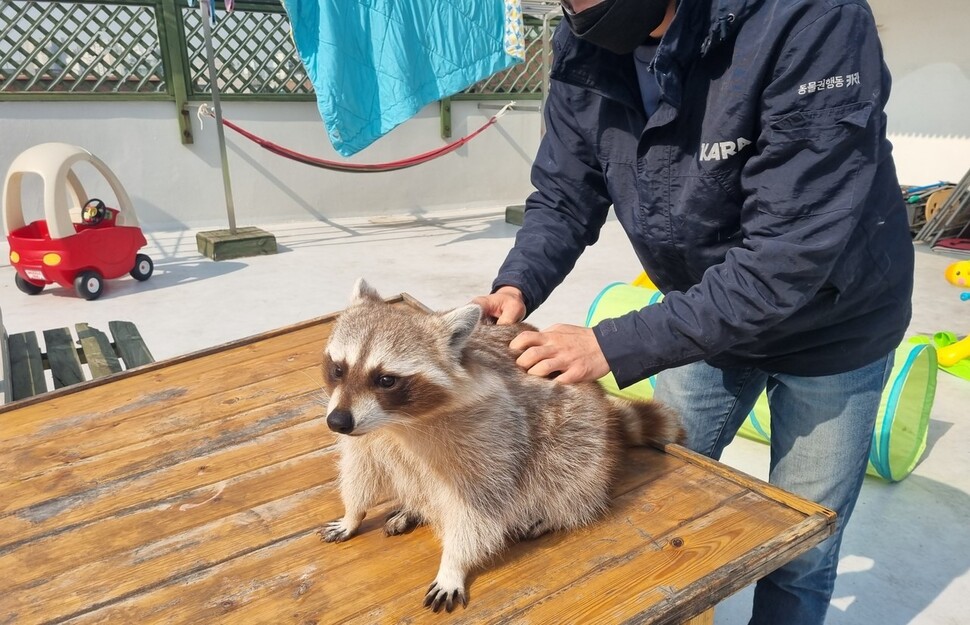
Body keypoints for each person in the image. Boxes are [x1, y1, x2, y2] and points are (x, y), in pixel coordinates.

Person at [471, 0, 914, 623]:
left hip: (834, 326)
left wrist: (609, 345)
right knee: (648, 496)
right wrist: (517, 285)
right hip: (702, 320)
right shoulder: (587, 45)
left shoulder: (812, 22)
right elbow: (566, 193)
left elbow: (787, 257)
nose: (578, 6)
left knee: (800, 551)